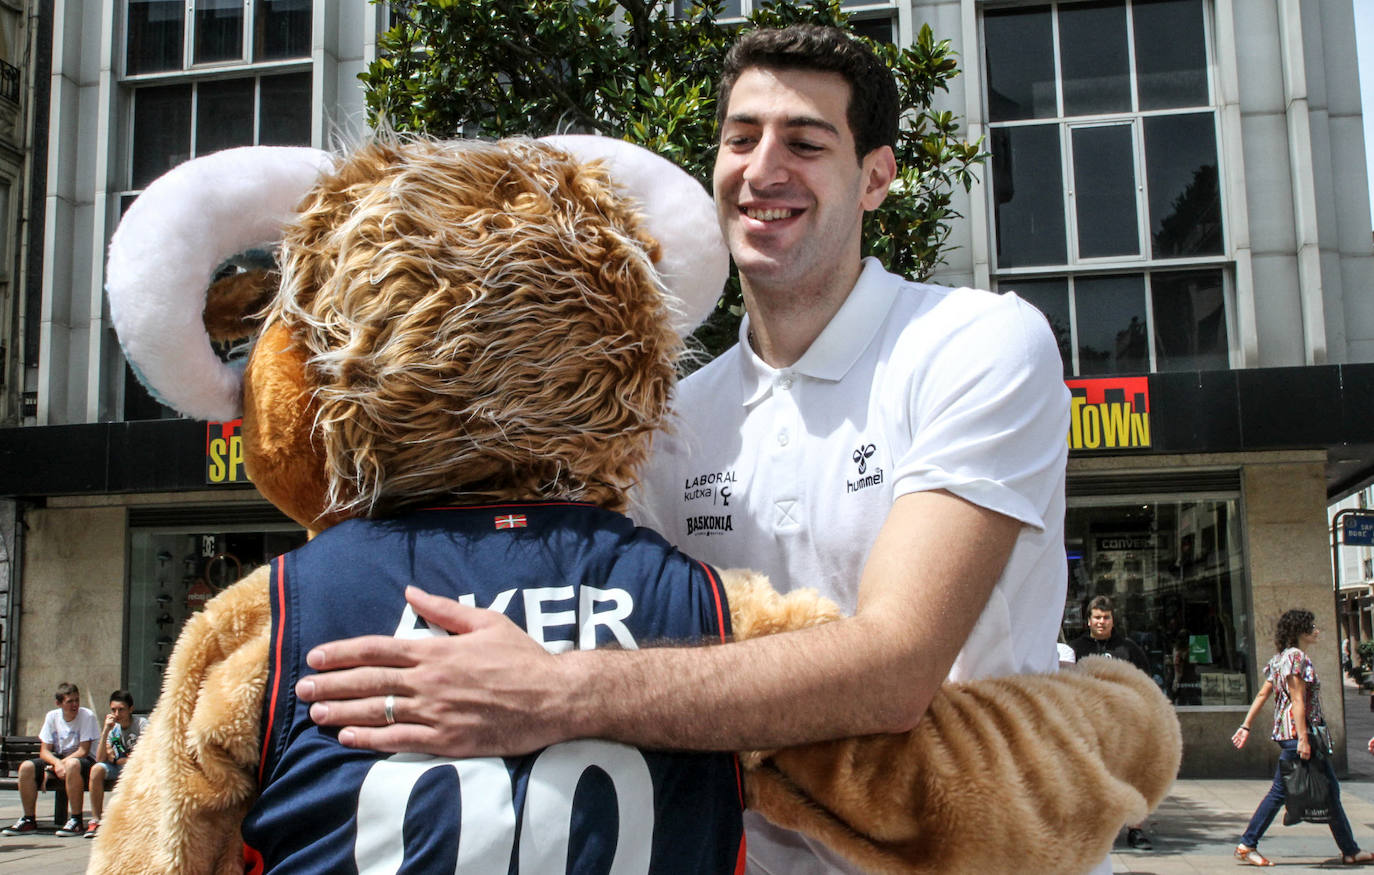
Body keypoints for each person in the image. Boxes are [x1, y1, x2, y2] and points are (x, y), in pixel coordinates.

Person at [294, 24, 1073, 874]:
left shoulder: (980, 342)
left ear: (876, 178)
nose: (763, 169)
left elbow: (896, 669)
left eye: (806, 143)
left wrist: (552, 691)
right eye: (741, 139)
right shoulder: (667, 413)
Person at [1231, 609, 1374, 866]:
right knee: (1283, 791)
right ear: (1300, 631)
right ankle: (1247, 843)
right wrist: (1304, 739)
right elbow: (1298, 700)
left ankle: (1350, 850)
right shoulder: (1296, 658)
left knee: (1327, 789)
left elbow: (1263, 695)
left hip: (1291, 734)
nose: (1316, 630)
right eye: (1312, 626)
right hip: (1298, 734)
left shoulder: (1280, 659)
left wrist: (1246, 725)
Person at [1068, 594, 1154, 849]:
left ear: (1113, 620)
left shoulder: (1128, 649)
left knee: (1130, 776)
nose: (1102, 622)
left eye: (1106, 618)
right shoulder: (1076, 650)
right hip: (1088, 724)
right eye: (1097, 617)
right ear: (1088, 621)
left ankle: (1135, 829)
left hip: (1124, 724)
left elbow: (1146, 683)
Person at [2, 682, 100, 837]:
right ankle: (29, 819)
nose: (75, 705)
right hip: (60, 760)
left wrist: (59, 765)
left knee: (73, 764)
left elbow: (83, 750)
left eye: (77, 700)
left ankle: (76, 820)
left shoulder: (86, 716)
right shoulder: (51, 717)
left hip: (84, 761)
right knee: (26, 767)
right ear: (59, 704)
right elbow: (44, 751)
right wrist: (57, 765)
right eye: (70, 702)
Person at [85, 690, 147, 839]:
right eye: (113, 710)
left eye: (121, 709)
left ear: (130, 709)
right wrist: (106, 730)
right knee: (96, 770)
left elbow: (146, 755)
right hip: (118, 767)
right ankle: (96, 819)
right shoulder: (113, 729)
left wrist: (121, 760)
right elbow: (100, 758)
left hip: (138, 768)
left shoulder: (141, 725)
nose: (117, 714)